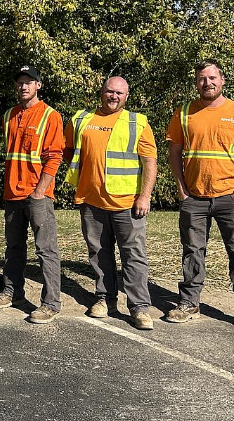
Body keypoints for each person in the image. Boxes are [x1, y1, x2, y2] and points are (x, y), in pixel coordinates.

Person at [164, 59, 234, 334]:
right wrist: (181, 189)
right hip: (194, 198)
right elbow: (174, 152)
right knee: (192, 251)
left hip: (230, 197)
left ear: (222, 80)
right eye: (201, 79)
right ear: (196, 83)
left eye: (212, 78)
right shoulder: (184, 113)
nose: (206, 83)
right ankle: (189, 303)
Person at [63, 76, 157, 331]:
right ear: (101, 93)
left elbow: (150, 162)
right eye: (109, 91)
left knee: (133, 256)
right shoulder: (81, 119)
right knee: (99, 253)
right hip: (91, 201)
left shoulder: (138, 122)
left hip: (128, 203)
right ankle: (105, 299)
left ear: (126, 97)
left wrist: (144, 196)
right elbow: (68, 151)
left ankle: (139, 307)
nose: (113, 96)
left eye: (119, 93)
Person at [0, 65, 65, 324]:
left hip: (37, 195)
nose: (23, 86)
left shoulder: (50, 116)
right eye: (20, 82)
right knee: (14, 247)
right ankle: (12, 292)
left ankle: (51, 302)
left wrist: (40, 191)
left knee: (46, 249)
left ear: (38, 85)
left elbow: (54, 157)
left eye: (29, 82)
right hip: (12, 193)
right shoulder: (10, 114)